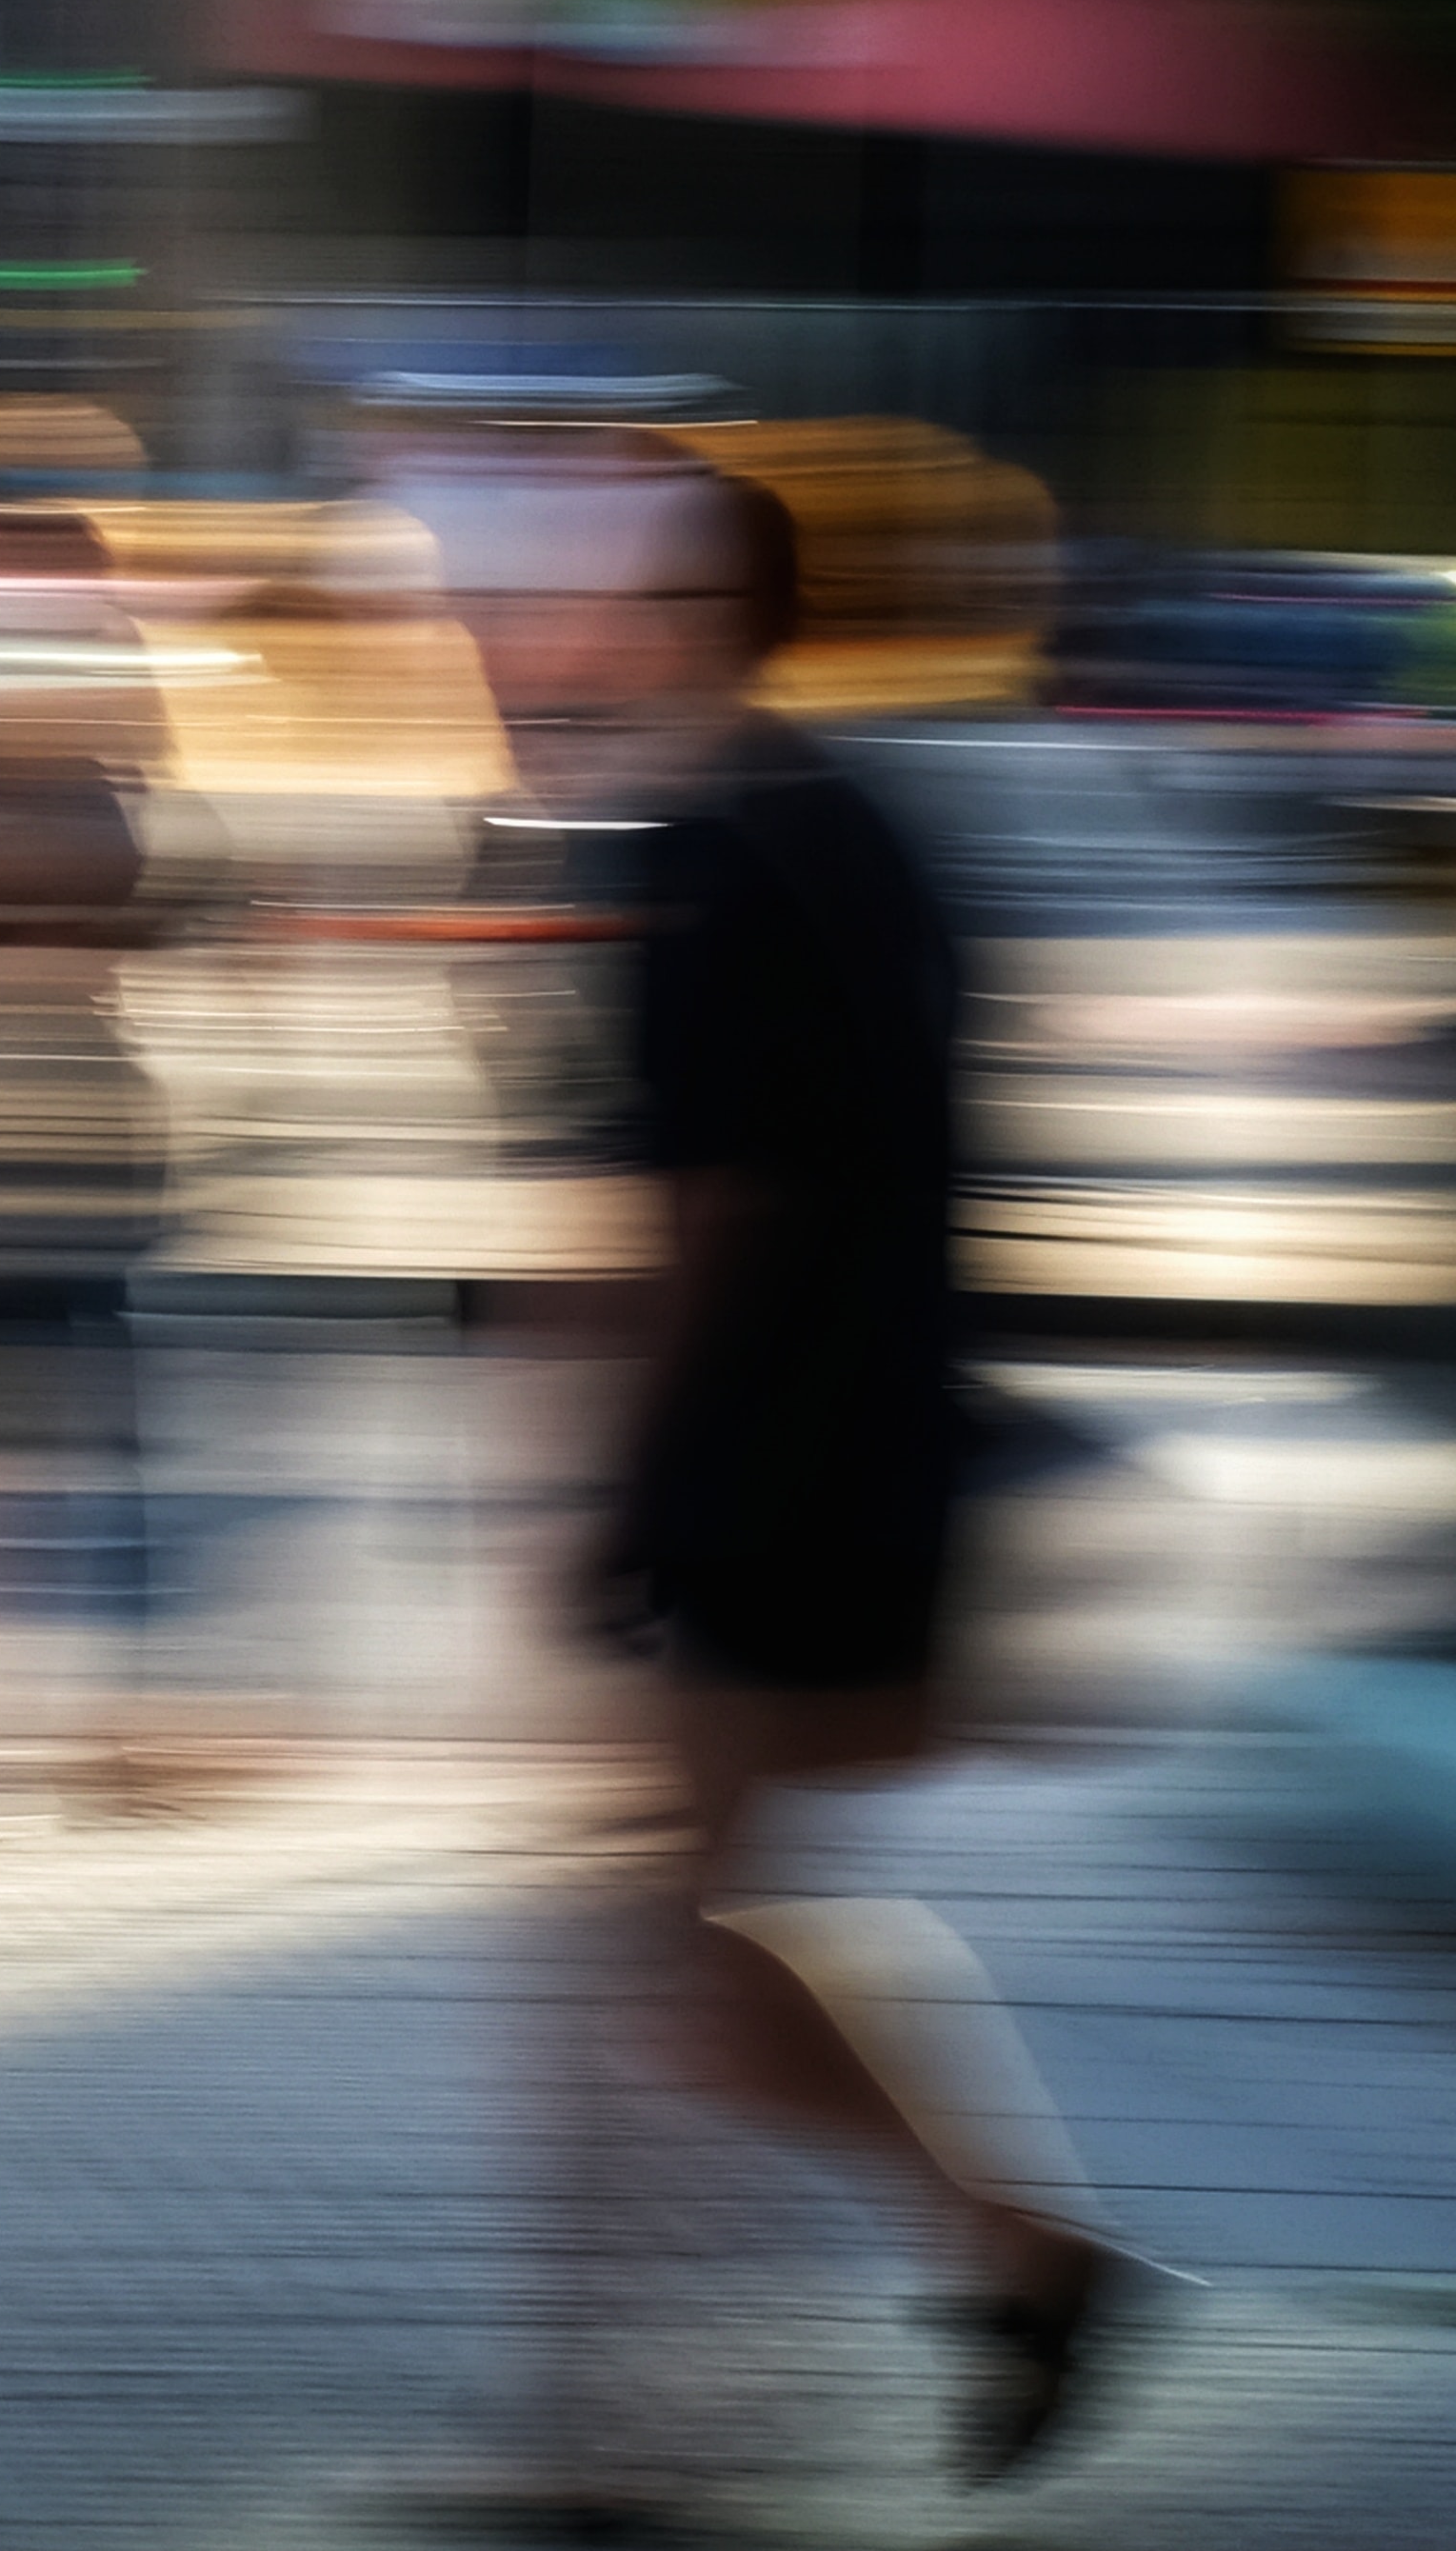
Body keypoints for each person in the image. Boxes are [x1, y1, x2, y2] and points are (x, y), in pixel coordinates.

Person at [442, 446, 1153, 2504]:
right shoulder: (862, 826)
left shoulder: (723, 844)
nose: (555, 625)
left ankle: (652, 2420)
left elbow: (713, 1209)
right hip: (863, 1447)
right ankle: (926, 2288)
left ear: (681, 618)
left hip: (763, 1469)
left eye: (604, 592)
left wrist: (607, 1488)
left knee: (647, 1937)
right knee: (670, 1932)